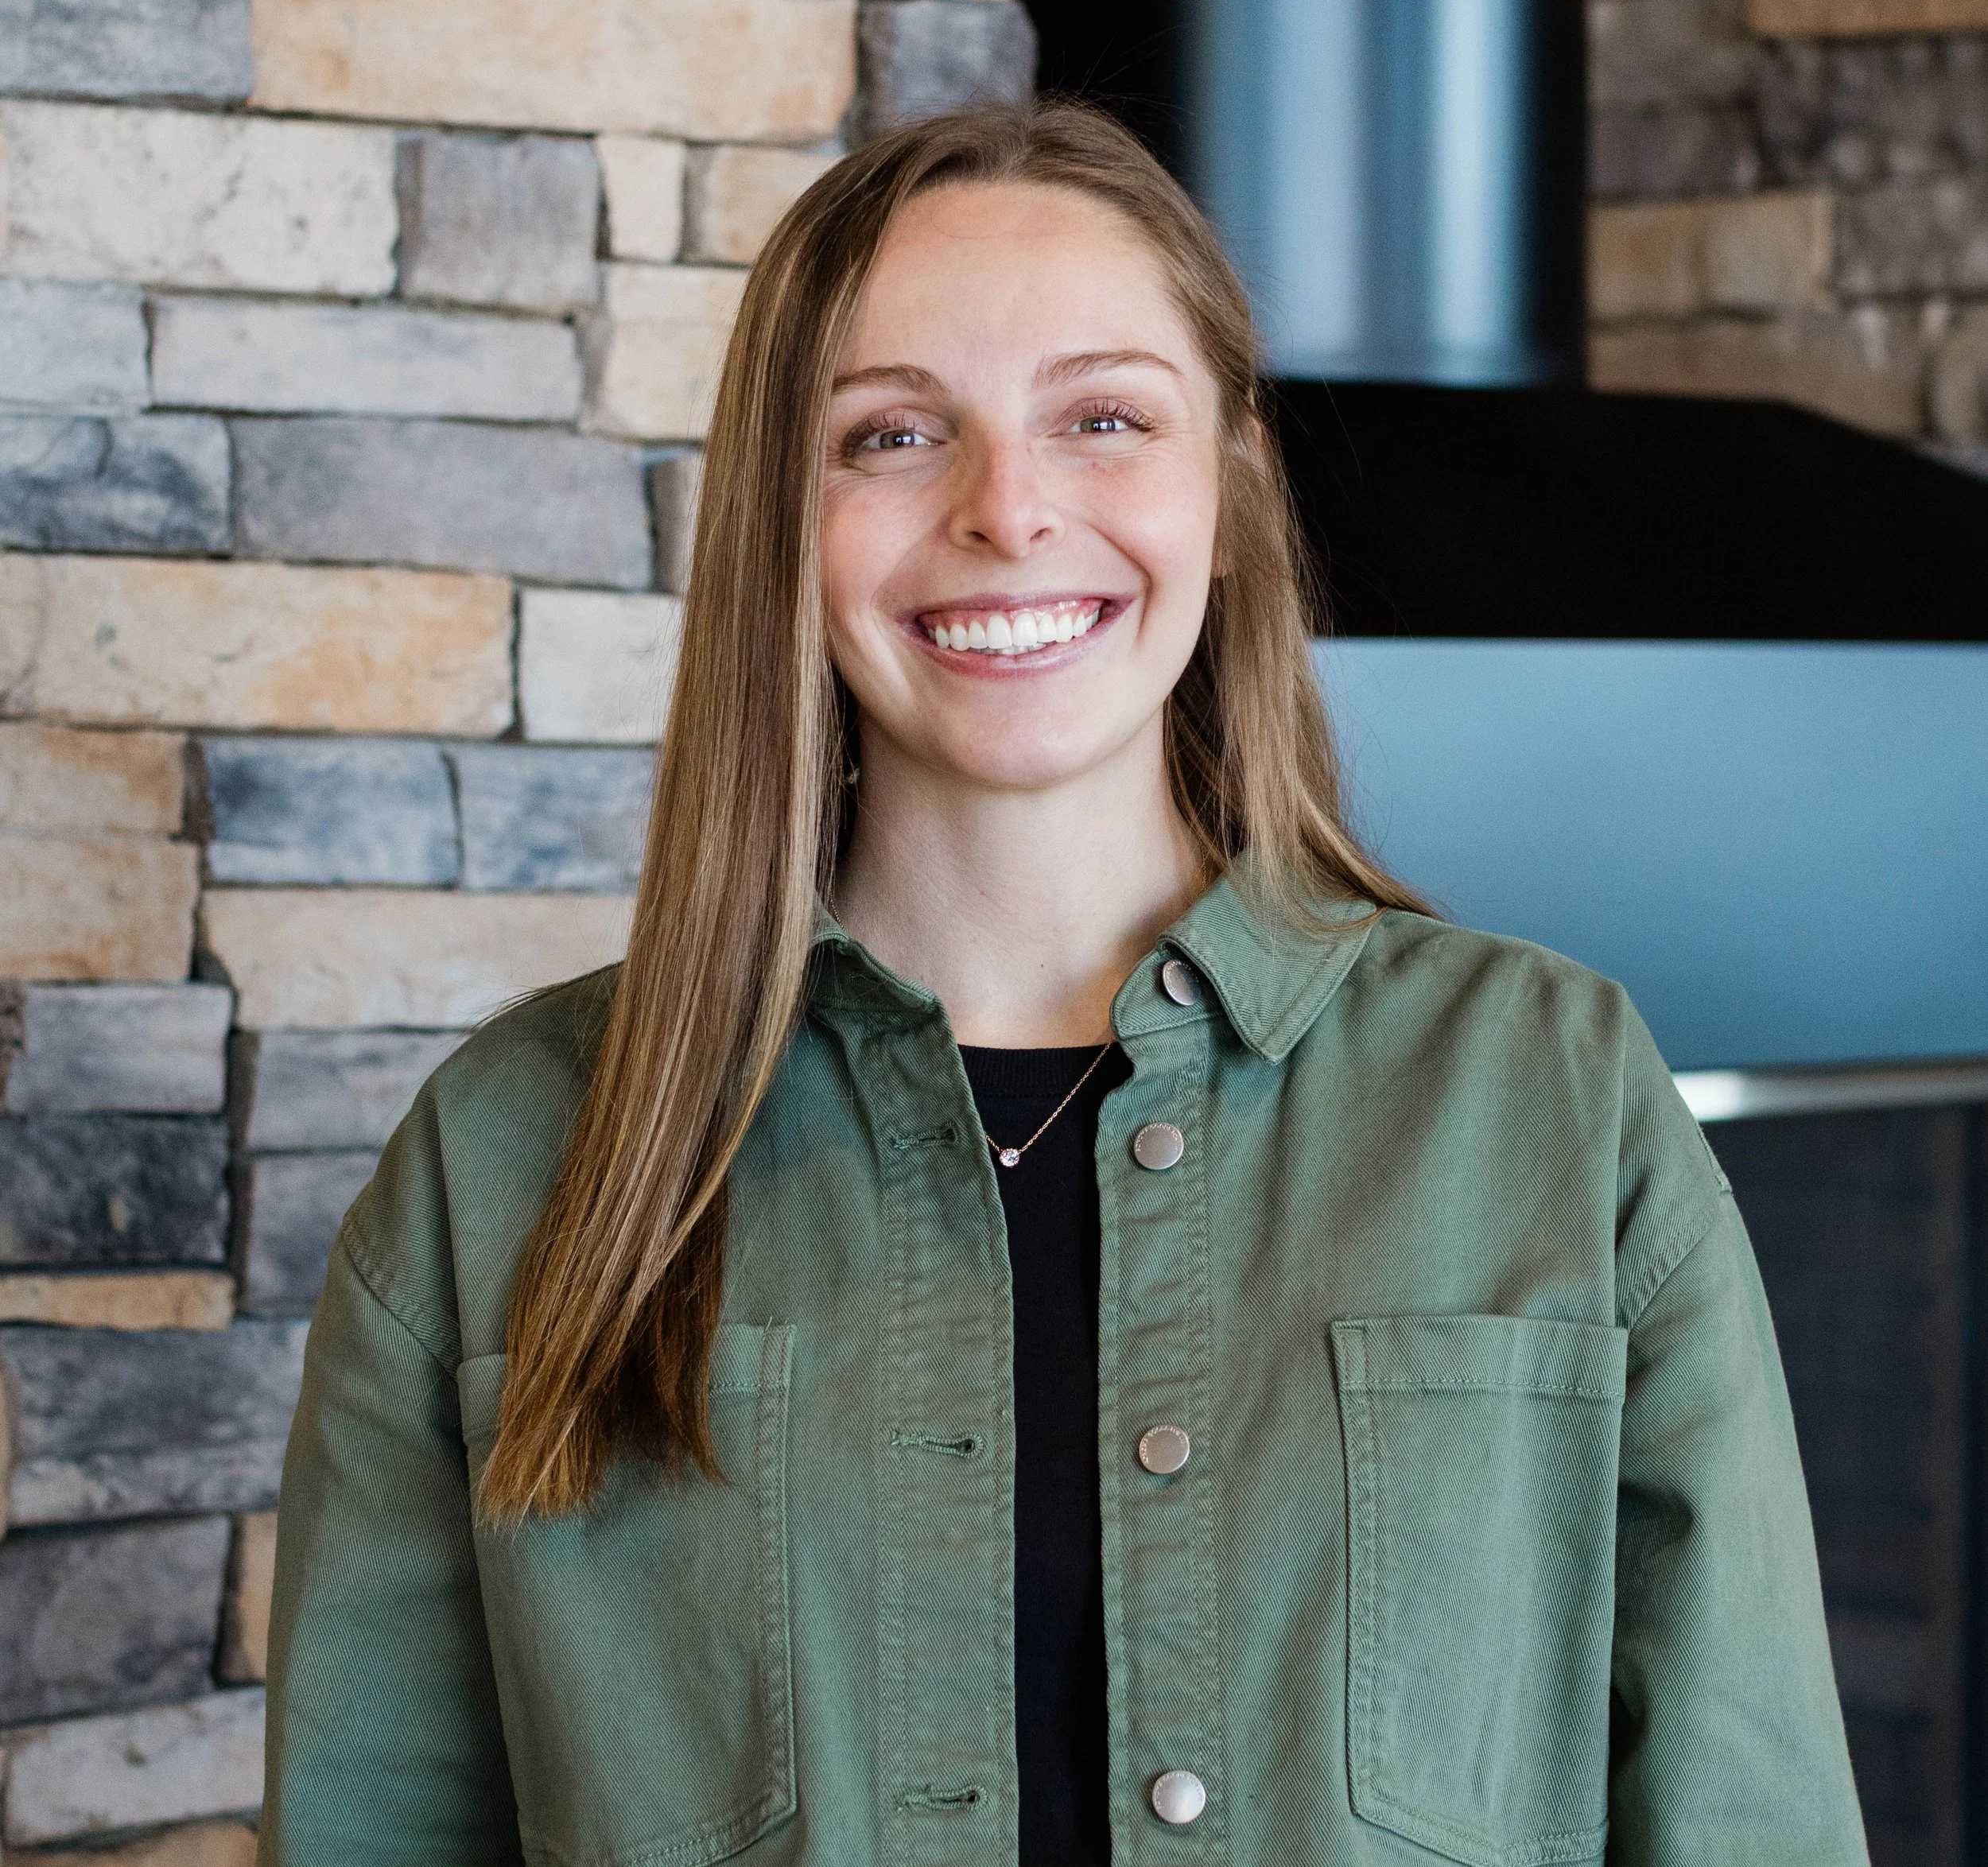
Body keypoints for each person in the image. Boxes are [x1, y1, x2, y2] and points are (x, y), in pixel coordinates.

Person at [258, 103, 1868, 1867]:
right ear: (780, 528)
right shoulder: (502, 1161)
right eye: (890, 433)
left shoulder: (1552, 1091)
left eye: (1101, 418)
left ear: (1233, 490)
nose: (1005, 510)